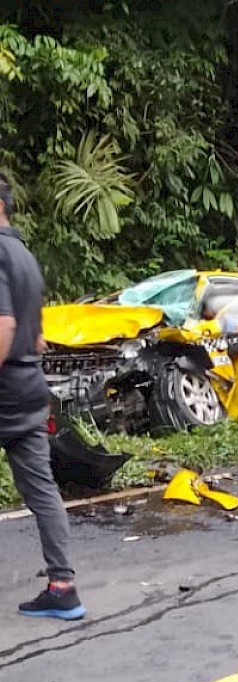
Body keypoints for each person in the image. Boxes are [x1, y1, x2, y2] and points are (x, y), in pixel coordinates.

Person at [0, 175, 85, 620]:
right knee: (43, 492)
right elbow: (37, 336)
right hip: (29, 389)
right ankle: (62, 586)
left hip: (4, 388)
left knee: (41, 490)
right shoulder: (25, 255)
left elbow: (6, 326)